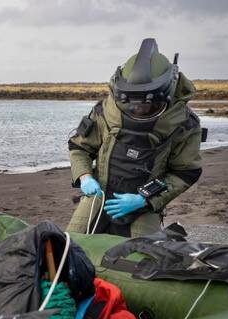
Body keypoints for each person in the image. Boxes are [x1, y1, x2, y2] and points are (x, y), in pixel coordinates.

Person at [66, 38, 206, 237]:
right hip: (99, 196)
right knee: (68, 249)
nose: (137, 108)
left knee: (140, 261)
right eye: (131, 102)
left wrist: (143, 199)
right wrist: (85, 177)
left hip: (144, 205)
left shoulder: (184, 124)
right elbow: (79, 148)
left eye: (146, 104)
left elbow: (185, 173)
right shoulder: (106, 111)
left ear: (165, 93)